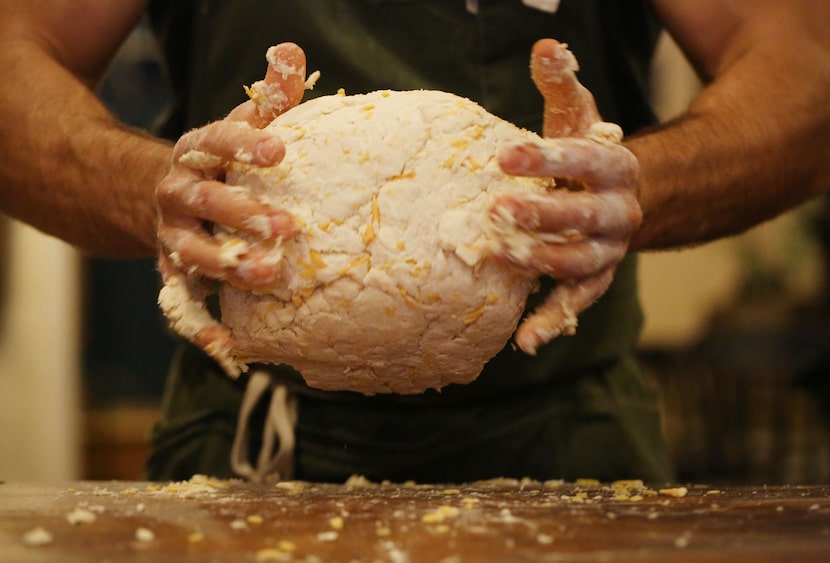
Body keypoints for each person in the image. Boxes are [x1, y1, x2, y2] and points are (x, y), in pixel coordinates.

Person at [0, 1, 827, 484]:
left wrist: (638, 187)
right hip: (250, 437)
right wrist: (148, 190)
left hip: (564, 433)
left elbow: (808, 63)